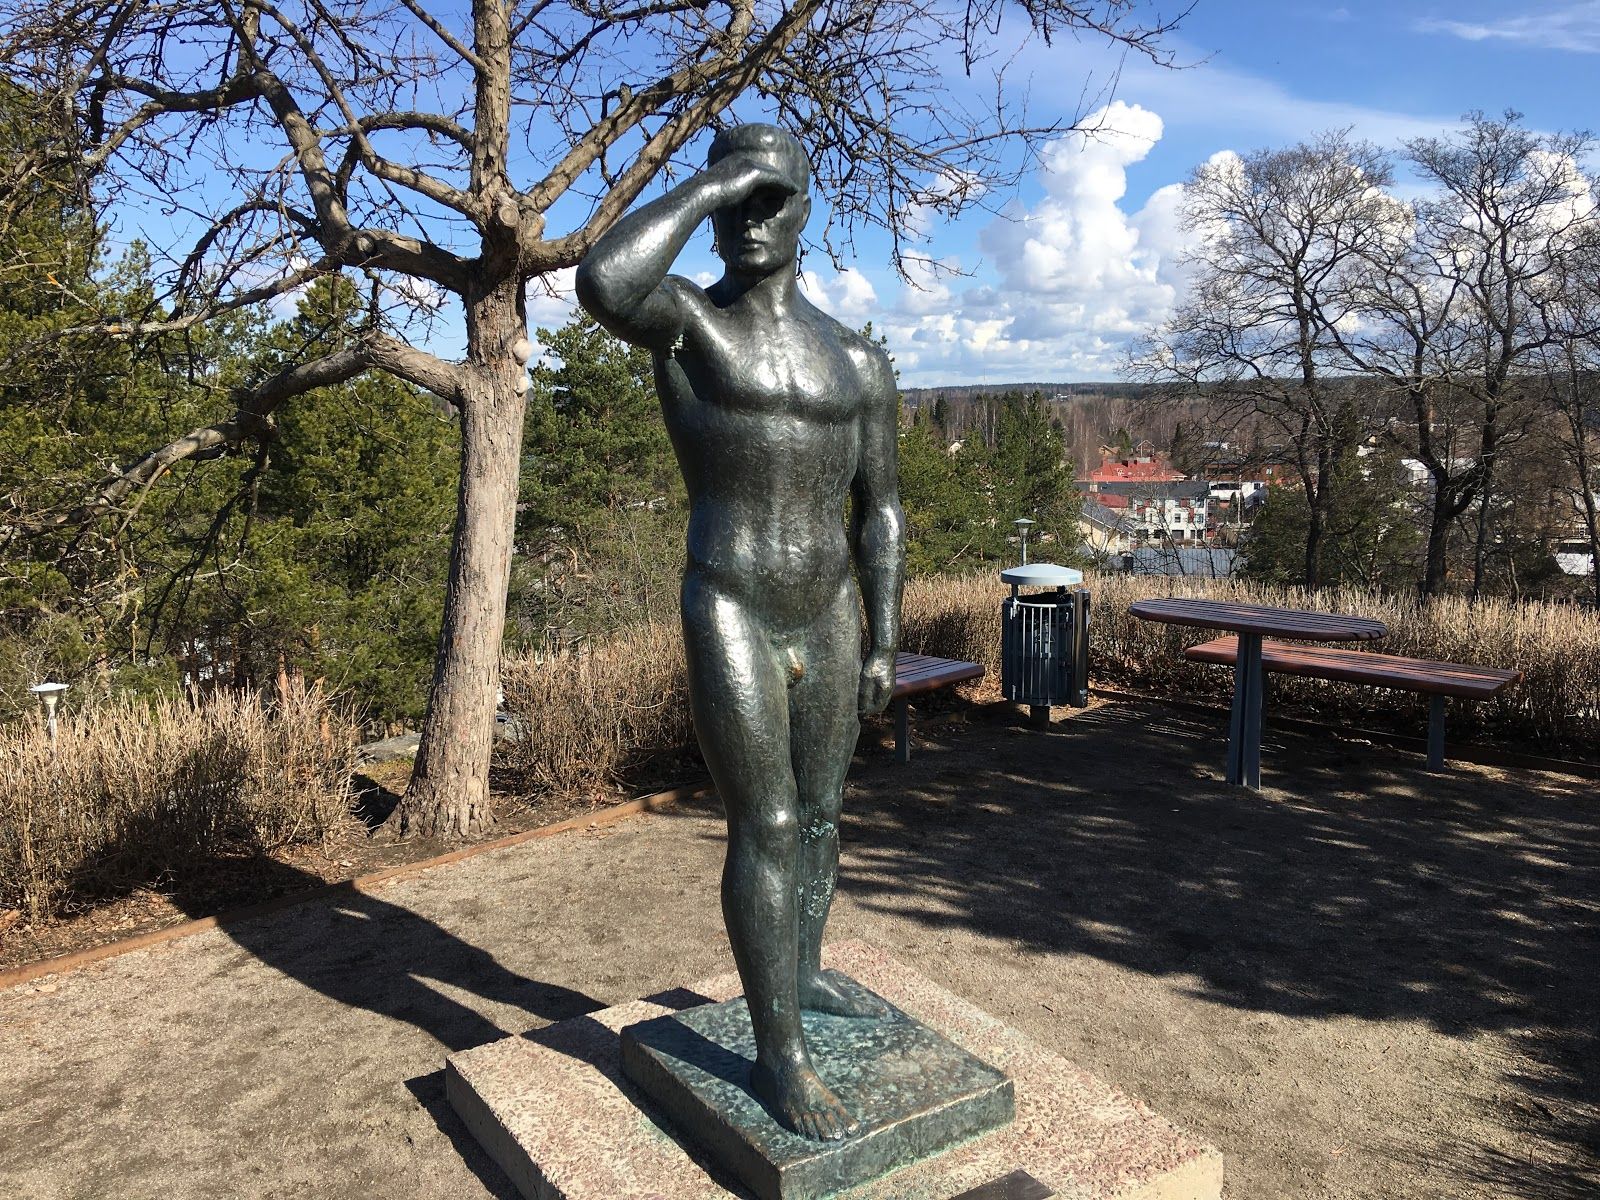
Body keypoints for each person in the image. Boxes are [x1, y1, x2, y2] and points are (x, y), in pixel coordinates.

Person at [576, 123, 904, 1142]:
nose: (752, 218)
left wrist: (886, 634)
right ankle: (780, 1056)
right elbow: (601, 282)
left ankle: (800, 980)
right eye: (739, 201)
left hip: (830, 607)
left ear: (809, 211)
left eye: (775, 196)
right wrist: (718, 181)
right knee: (763, 826)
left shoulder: (854, 358)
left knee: (818, 819)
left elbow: (879, 508)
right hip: (731, 600)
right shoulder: (687, 322)